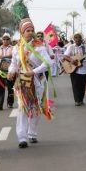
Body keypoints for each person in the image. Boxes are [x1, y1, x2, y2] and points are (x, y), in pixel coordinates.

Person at [8, 18, 54, 148]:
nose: (30, 32)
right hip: (21, 82)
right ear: (22, 32)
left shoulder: (39, 47)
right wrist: (11, 71)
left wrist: (34, 71)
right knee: (22, 108)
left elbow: (48, 63)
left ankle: (32, 133)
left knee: (35, 108)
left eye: (32, 30)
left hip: (37, 82)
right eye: (27, 30)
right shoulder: (17, 47)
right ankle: (22, 137)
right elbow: (13, 64)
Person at [63, 33, 86, 106]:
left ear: (81, 39)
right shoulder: (71, 47)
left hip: (84, 68)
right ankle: (77, 100)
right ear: (74, 39)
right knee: (75, 85)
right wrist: (71, 60)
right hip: (73, 69)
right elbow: (65, 56)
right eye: (76, 38)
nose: (77, 39)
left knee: (82, 85)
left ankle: (81, 99)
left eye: (79, 38)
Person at [0, 33, 14, 110]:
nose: (5, 40)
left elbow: (13, 56)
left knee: (10, 88)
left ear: (9, 40)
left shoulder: (13, 48)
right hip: (0, 71)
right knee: (0, 87)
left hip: (10, 71)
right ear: (2, 40)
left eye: (7, 39)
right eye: (4, 39)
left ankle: (10, 102)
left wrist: (3, 57)